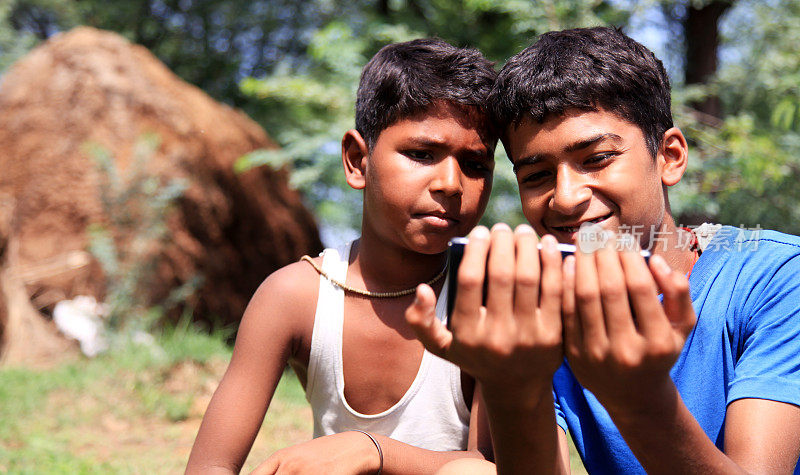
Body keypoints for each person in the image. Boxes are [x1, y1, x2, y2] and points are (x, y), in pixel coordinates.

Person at [406, 27, 800, 474]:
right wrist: (511, 385)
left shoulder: (777, 277)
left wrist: (639, 400)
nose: (567, 197)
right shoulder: (535, 311)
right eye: (536, 175)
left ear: (669, 156)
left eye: (596, 158)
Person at [186, 38, 499, 474]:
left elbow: (491, 467)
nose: (451, 182)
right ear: (357, 160)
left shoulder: (489, 301)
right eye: (422, 154)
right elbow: (210, 467)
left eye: (475, 164)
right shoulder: (295, 297)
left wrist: (370, 450)